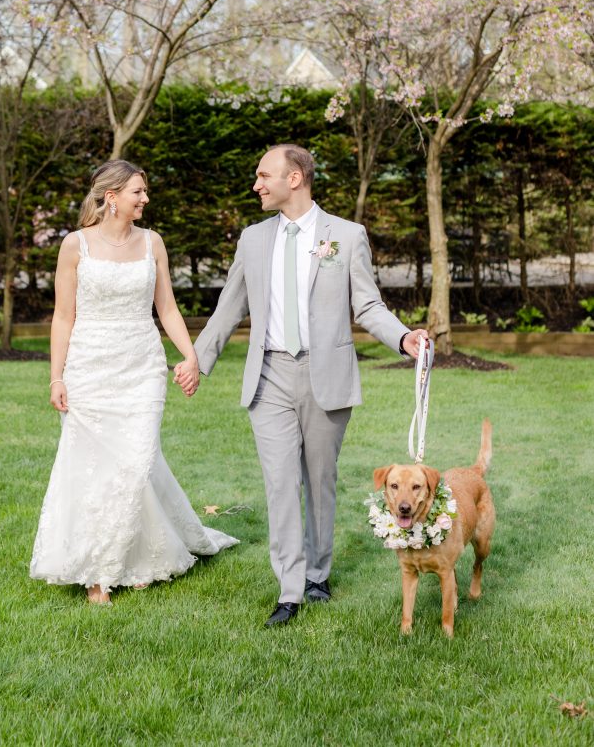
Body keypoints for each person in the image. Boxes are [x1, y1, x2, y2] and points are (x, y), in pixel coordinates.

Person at [182, 144, 427, 627]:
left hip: (325, 375)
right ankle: (290, 590)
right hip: (269, 375)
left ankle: (318, 573)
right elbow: (230, 305)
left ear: (294, 178)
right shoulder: (252, 239)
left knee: (319, 481)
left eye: (263, 175)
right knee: (279, 484)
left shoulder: (346, 235)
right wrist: (197, 359)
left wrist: (404, 337)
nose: (257, 184)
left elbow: (368, 305)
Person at [30, 160, 237, 605]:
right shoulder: (75, 246)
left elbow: (167, 308)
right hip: (90, 367)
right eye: (138, 192)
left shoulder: (152, 242)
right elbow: (63, 316)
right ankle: (100, 574)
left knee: (137, 462)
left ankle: (131, 559)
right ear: (111, 197)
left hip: (142, 365)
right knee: (98, 469)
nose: (145, 199)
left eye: (144, 191)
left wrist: (190, 355)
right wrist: (56, 377)